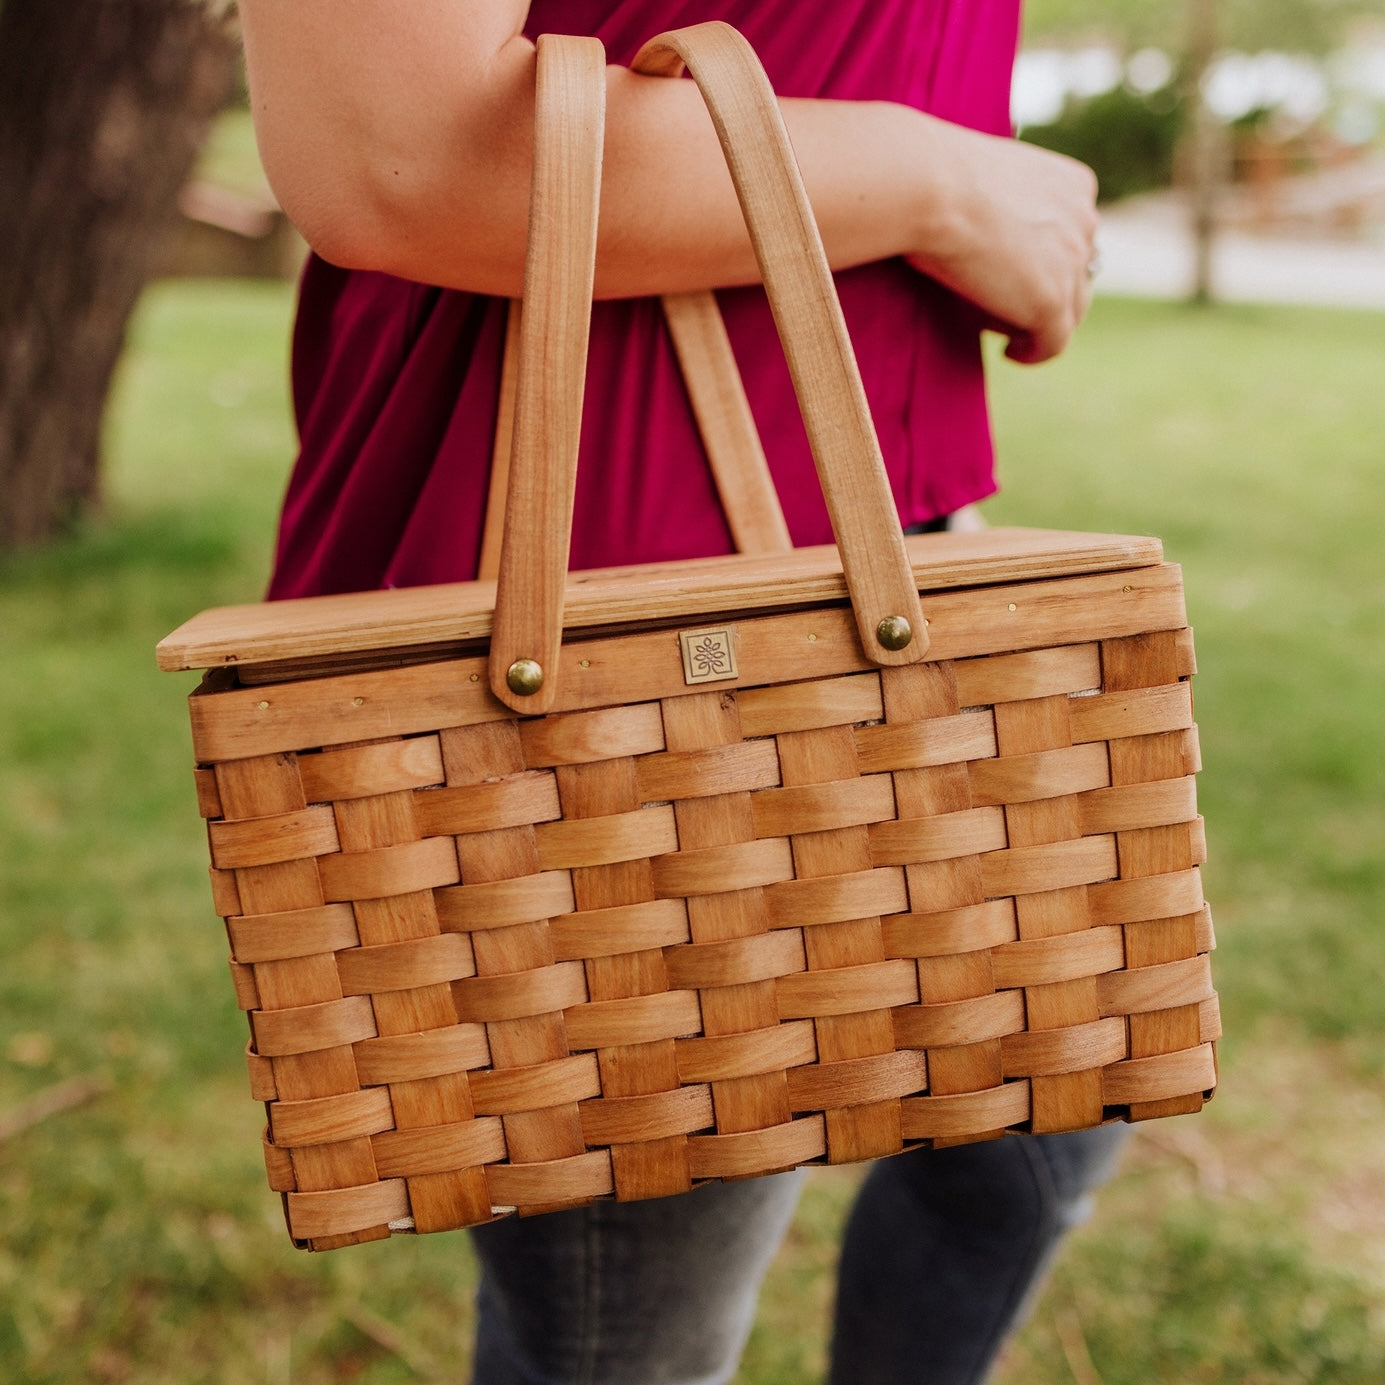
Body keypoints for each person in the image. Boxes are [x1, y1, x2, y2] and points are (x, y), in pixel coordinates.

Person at [237, 2, 1127, 1381]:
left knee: (1055, 1103)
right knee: (632, 1336)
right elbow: (387, 151)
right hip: (610, 597)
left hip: (884, 517)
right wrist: (938, 179)